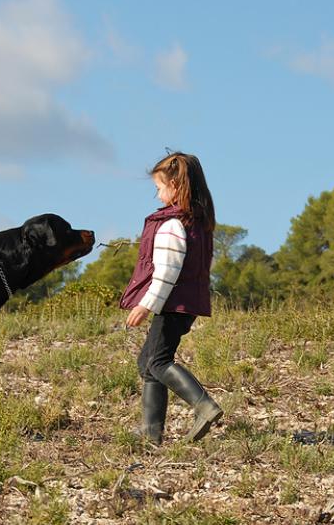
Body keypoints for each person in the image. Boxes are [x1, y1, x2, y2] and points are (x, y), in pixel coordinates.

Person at [120, 151, 222, 445]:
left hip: (172, 303)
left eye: (159, 187)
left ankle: (204, 406)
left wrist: (144, 305)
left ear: (175, 186)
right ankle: (151, 431)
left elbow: (166, 273)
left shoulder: (172, 225)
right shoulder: (196, 222)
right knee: (148, 362)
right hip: (184, 303)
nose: (158, 194)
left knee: (159, 361)